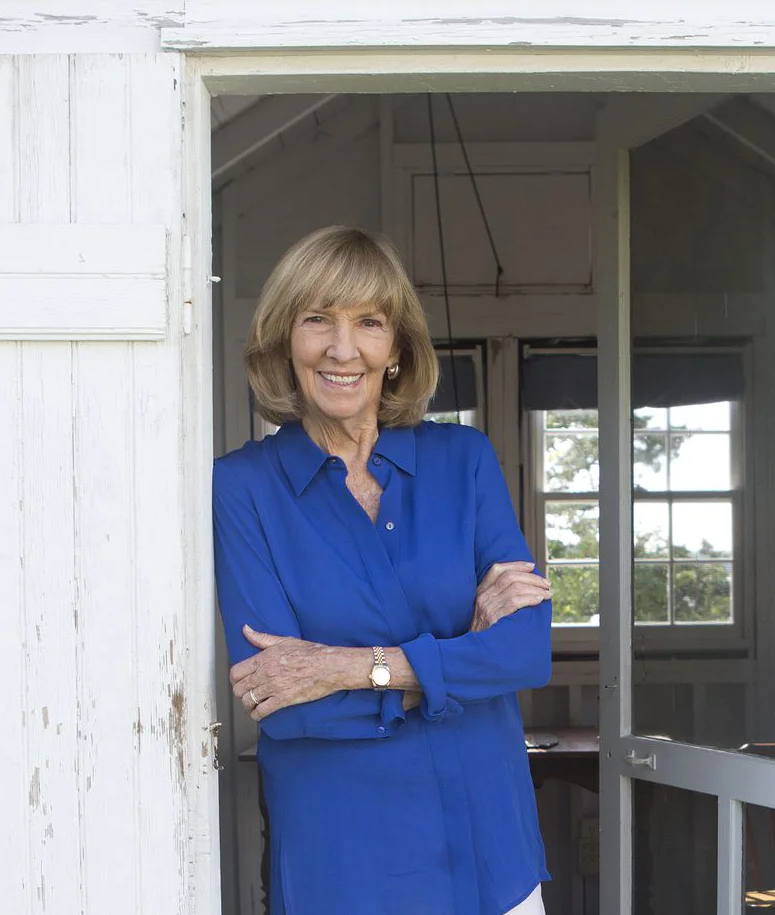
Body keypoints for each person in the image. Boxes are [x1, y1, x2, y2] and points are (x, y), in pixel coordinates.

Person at [213, 226, 554, 915]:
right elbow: (283, 702)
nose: (343, 349)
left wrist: (343, 666)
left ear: (396, 348)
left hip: (489, 845)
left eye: (369, 322)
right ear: (284, 340)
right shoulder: (242, 486)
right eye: (318, 319)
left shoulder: (464, 460)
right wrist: (462, 656)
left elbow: (524, 651)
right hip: (347, 857)